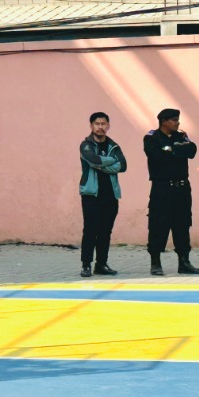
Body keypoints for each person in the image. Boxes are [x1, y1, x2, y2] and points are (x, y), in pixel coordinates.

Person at [144, 108, 199, 275]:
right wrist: (177, 151)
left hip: (181, 188)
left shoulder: (181, 136)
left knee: (182, 224)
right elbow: (156, 156)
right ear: (164, 121)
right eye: (174, 120)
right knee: (158, 224)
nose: (178, 123)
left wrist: (170, 150)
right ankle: (155, 263)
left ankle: (184, 262)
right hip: (162, 188)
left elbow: (192, 151)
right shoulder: (152, 137)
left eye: (178, 119)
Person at [78, 111, 126, 277]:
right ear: (91, 126)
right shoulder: (86, 145)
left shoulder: (114, 146)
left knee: (106, 231)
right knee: (90, 230)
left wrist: (102, 165)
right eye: (97, 124)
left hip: (111, 195)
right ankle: (86, 264)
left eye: (103, 124)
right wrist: (111, 161)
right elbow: (93, 160)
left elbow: (123, 165)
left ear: (108, 126)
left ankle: (101, 264)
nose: (100, 127)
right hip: (91, 194)